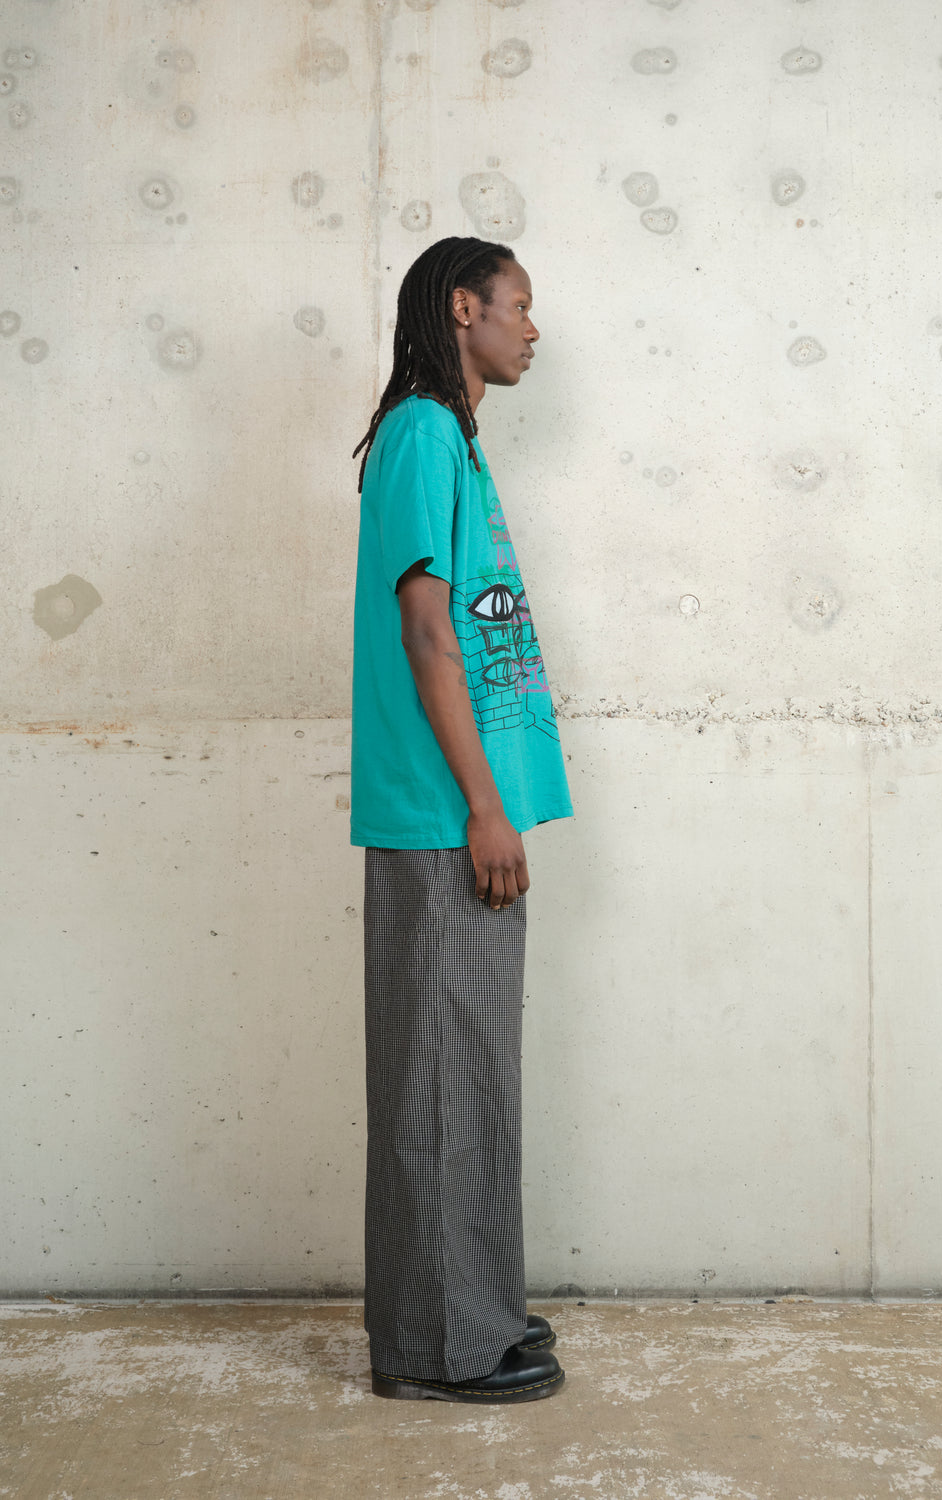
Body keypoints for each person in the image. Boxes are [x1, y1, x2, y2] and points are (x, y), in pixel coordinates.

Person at [350, 236, 574, 1403]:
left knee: (468, 1070)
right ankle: (439, 1350)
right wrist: (484, 809)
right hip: (445, 815)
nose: (533, 329)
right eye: (519, 307)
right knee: (441, 1082)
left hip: (467, 809)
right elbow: (428, 633)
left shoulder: (450, 436)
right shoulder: (424, 432)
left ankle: (467, 1307)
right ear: (462, 307)